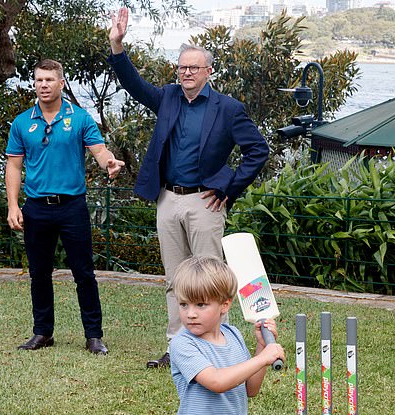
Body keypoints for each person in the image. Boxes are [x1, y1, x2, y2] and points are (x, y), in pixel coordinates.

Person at [108, 7, 270, 368]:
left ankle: (218, 350)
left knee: (211, 281)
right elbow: (133, 85)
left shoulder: (228, 109)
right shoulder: (167, 97)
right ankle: (176, 349)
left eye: (193, 68)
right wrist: (117, 47)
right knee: (175, 279)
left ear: (208, 72)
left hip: (205, 203)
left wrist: (229, 187)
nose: (185, 73)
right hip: (168, 199)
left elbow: (258, 150)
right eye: (181, 67)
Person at [5, 59, 124, 354]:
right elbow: (14, 167)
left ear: (61, 83)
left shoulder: (80, 118)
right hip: (36, 208)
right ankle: (43, 332)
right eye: (38, 80)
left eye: (49, 80)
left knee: (84, 273)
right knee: (39, 273)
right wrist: (12, 205)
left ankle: (94, 335)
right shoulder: (22, 122)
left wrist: (109, 162)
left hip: (72, 207)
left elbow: (99, 151)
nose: (43, 85)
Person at [169, 256, 285, 414]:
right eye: (184, 304)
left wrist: (262, 346)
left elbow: (251, 389)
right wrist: (262, 358)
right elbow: (217, 382)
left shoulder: (233, 335)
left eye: (200, 305)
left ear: (225, 305)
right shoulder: (182, 344)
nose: (190, 314)